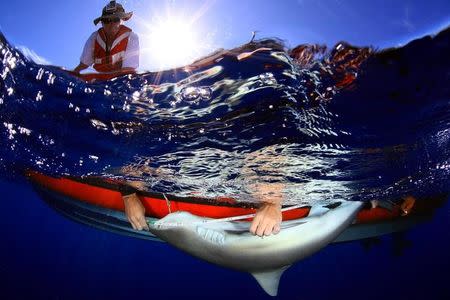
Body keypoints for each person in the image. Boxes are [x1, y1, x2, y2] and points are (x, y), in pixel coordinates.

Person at [72, 1, 139, 75]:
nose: (111, 24)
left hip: (121, 80)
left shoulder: (132, 37)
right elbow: (82, 65)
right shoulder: (94, 38)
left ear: (121, 21)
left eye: (115, 19)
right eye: (106, 20)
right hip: (98, 82)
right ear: (102, 23)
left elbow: (129, 70)